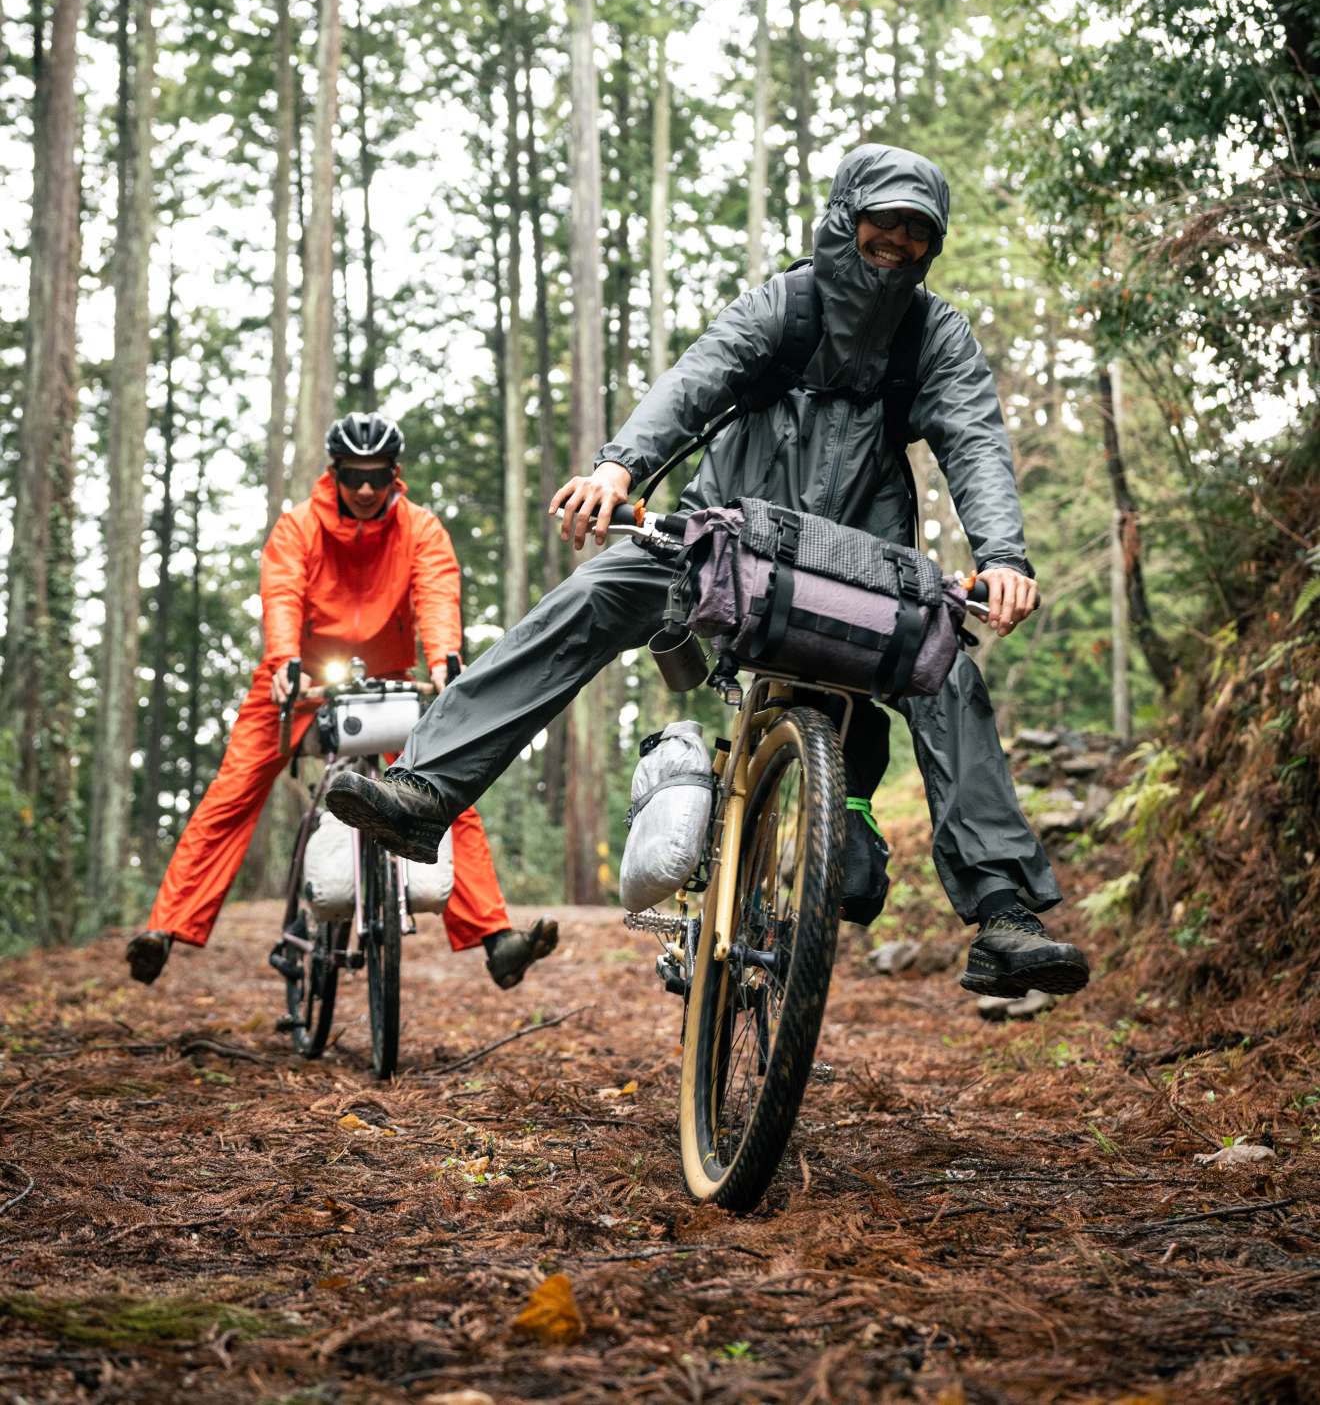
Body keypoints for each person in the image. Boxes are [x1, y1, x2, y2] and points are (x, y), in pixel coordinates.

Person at [326, 148, 1089, 1001]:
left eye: (918, 230)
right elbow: (698, 379)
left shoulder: (935, 336)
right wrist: (618, 468)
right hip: (723, 547)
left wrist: (1003, 557)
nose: (899, 241)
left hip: (859, 578)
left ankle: (1003, 914)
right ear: (846, 218)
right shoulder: (786, 306)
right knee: (592, 597)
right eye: (885, 220)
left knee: (949, 674)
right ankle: (429, 788)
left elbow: (975, 441)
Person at [125, 412, 557, 992]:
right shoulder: (299, 527)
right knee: (232, 793)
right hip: (299, 680)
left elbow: (436, 591)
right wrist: (284, 659)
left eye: (377, 477)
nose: (365, 490)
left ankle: (495, 939)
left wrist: (444, 660)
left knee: (443, 788)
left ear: (394, 475)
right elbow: (282, 591)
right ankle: (165, 929)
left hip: (390, 681)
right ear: (335, 474)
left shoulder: (420, 529)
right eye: (354, 476)